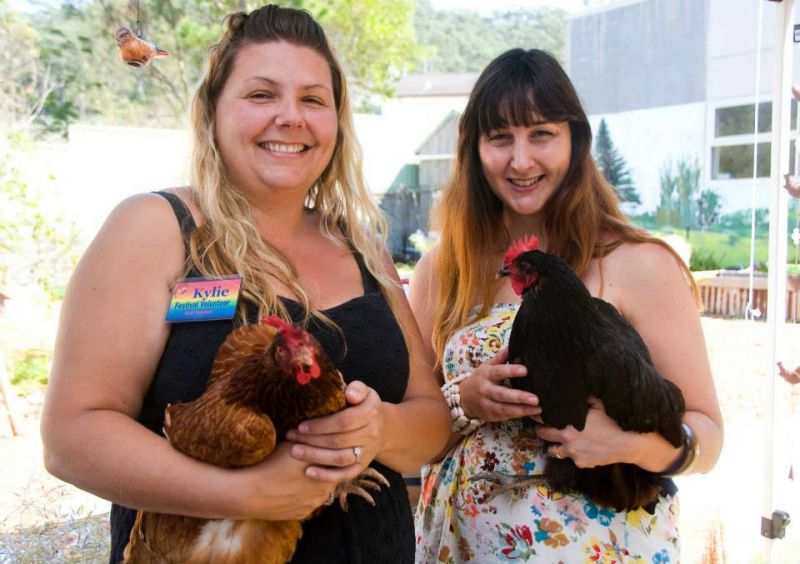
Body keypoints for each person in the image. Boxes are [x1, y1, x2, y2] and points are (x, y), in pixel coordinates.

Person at [40, 5, 449, 562]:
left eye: (313, 99)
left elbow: (432, 424)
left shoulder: (363, 247)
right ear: (213, 111)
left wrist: (383, 428)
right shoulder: (156, 228)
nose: (290, 117)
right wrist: (246, 494)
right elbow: (71, 436)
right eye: (261, 95)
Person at [410, 48, 724, 562]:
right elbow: (409, 430)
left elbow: (707, 435)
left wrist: (632, 445)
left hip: (603, 544)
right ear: (474, 150)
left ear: (576, 141)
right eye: (500, 138)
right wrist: (461, 401)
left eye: (541, 134)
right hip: (465, 546)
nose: (521, 160)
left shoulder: (639, 264)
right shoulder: (443, 271)